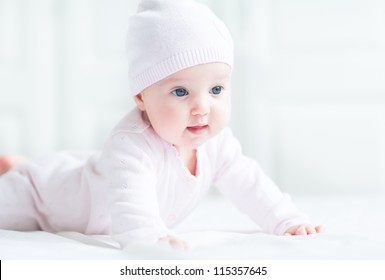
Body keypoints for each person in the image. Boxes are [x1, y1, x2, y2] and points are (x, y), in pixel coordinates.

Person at [0, 0, 321, 250]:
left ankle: (19, 163)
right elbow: (132, 210)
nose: (202, 108)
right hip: (43, 197)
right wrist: (149, 238)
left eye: (216, 90)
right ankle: (19, 171)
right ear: (141, 97)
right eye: (180, 92)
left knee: (84, 168)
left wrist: (286, 220)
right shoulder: (130, 146)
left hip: (88, 173)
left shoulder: (217, 144)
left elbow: (250, 184)